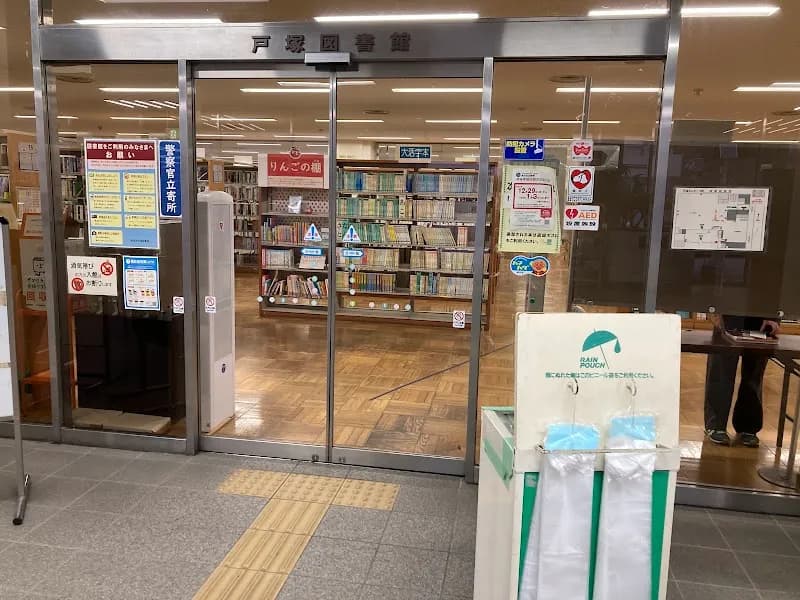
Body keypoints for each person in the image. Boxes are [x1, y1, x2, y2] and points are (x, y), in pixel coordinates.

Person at [704, 315, 780, 447]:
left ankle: (748, 427)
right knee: (721, 369)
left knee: (754, 373)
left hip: (761, 314)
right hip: (727, 310)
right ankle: (716, 425)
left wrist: (774, 316)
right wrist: (714, 310)